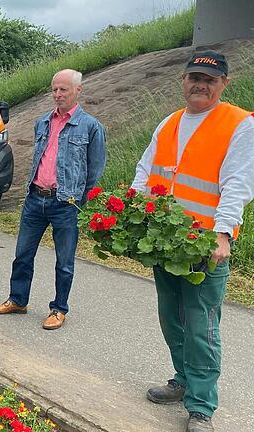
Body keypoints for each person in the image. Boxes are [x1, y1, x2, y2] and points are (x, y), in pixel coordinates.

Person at [131, 50, 254, 432]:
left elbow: (239, 182)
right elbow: (144, 170)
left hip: (204, 244)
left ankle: (202, 405)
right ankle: (182, 380)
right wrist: (128, 213)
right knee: (171, 318)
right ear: (183, 80)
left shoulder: (240, 124)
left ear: (224, 84)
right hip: (165, 241)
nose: (201, 84)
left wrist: (223, 233)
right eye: (195, 77)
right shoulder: (169, 122)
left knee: (201, 324)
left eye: (211, 80)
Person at [0, 69, 106, 330]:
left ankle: (58, 309)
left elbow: (95, 170)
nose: (58, 94)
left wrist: (78, 201)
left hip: (65, 203)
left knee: (64, 262)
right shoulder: (42, 122)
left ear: (78, 91)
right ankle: (17, 299)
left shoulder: (91, 126)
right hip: (35, 199)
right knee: (22, 255)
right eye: (54, 89)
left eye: (63, 89)